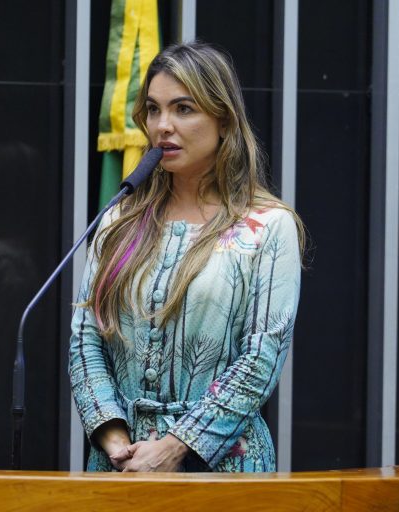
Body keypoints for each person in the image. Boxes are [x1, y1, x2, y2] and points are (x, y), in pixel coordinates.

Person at [69, 41, 303, 472]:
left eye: (183, 109)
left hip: (223, 469)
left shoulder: (269, 226)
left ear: (223, 120)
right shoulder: (119, 218)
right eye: (153, 110)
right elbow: (86, 340)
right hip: (120, 464)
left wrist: (173, 448)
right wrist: (115, 440)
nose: (163, 126)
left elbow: (260, 360)